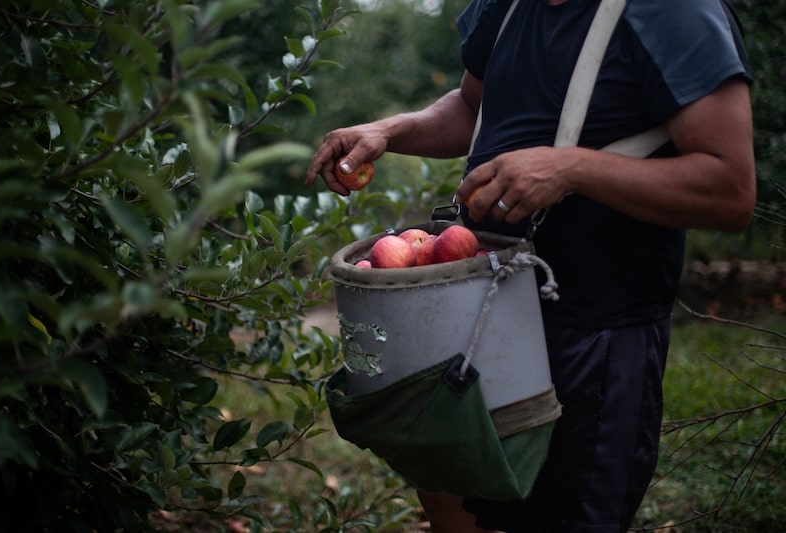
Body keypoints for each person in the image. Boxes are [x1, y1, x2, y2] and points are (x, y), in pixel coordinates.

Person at [306, 0, 756, 531]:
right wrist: (391, 131)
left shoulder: (672, 11)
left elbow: (729, 189)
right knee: (456, 493)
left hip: (595, 330)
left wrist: (571, 168)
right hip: (475, 313)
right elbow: (475, 105)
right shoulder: (507, 6)